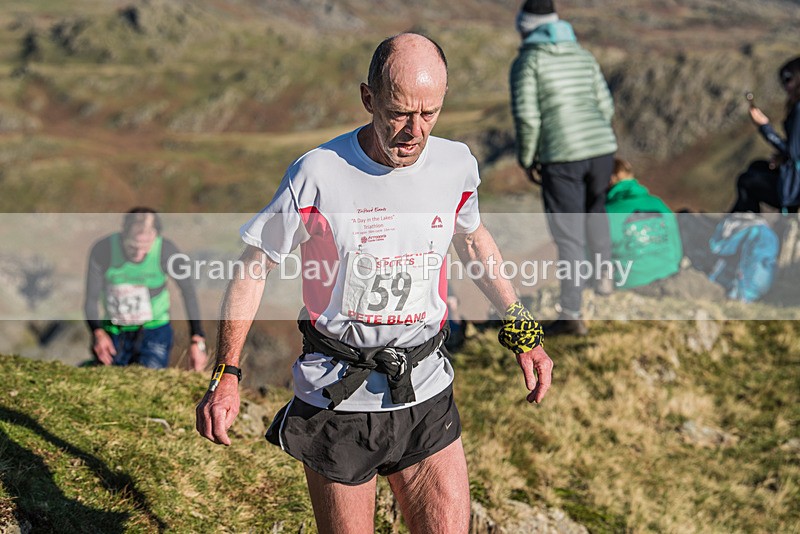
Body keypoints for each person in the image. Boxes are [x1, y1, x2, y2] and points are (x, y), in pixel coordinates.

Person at [196, 33, 553, 533]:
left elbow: (472, 240)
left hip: (425, 389)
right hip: (338, 399)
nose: (413, 131)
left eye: (429, 114)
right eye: (398, 113)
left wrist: (524, 333)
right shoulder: (317, 174)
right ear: (368, 99)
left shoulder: (457, 166)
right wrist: (227, 373)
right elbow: (253, 268)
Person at [509, 0, 618, 336]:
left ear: (525, 26)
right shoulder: (583, 55)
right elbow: (605, 105)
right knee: (596, 212)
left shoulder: (528, 62)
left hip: (560, 155)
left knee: (568, 234)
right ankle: (604, 280)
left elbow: (528, 116)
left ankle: (572, 313)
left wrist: (528, 159)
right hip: (601, 148)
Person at [84, 208, 207, 370]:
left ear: (155, 237)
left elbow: (188, 292)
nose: (139, 253)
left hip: (154, 331)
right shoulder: (102, 250)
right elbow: (90, 299)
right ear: (123, 234)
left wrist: (197, 339)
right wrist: (98, 332)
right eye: (133, 247)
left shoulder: (167, 251)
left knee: (148, 380)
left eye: (145, 246)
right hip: (113, 331)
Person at [731, 56, 800, 213]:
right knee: (757, 167)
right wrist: (784, 159)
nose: (785, 86)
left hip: (795, 188)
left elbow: (794, 152)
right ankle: (737, 218)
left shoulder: (799, 109)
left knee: (746, 181)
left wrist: (764, 127)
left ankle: (745, 224)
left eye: (788, 79)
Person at [606, 158, 683, 289]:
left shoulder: (606, 212)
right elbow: (677, 250)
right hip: (669, 277)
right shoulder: (659, 204)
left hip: (630, 284)